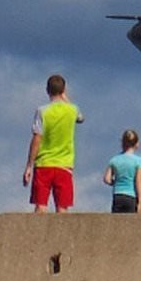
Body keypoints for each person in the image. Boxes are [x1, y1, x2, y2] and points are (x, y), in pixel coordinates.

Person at [23, 74, 84, 213]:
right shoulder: (72, 110)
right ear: (64, 90)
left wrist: (29, 165)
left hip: (44, 163)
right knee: (62, 208)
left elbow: (37, 139)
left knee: (40, 207)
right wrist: (65, 98)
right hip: (64, 164)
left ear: (47, 90)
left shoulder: (42, 111)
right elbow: (81, 118)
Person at [104, 129, 141, 213]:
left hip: (117, 195)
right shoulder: (138, 161)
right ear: (136, 144)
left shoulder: (114, 160)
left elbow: (107, 179)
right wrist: (140, 202)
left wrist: (115, 182)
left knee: (117, 220)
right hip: (131, 196)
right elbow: (138, 182)